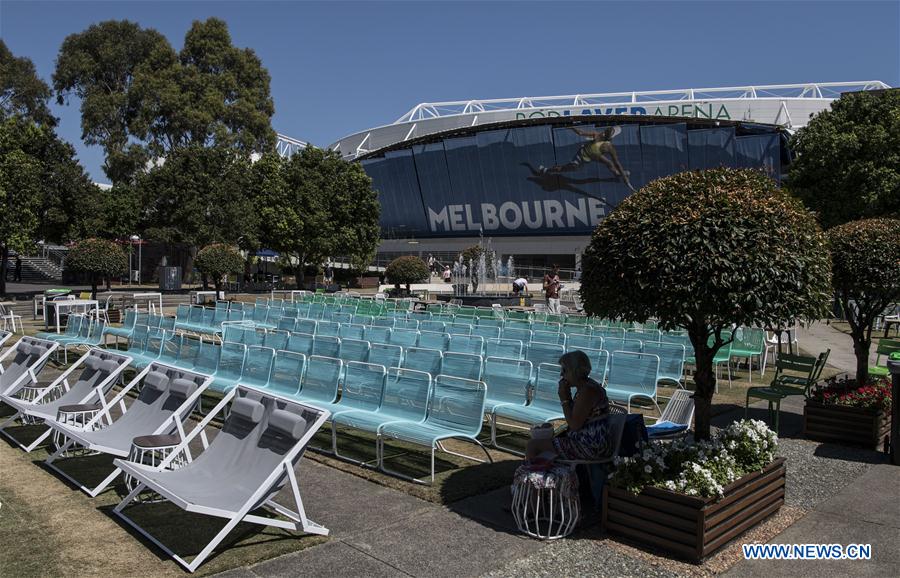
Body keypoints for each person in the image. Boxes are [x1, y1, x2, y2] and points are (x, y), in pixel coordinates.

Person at [525, 351, 612, 462]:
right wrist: (567, 396)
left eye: (564, 370)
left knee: (532, 446)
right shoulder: (586, 386)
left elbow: (574, 425)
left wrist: (564, 398)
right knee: (544, 434)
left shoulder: (588, 391)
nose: (561, 374)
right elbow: (575, 417)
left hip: (590, 446)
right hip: (587, 439)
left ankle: (532, 472)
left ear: (575, 371)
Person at [540, 126, 636, 192]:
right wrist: (625, 178)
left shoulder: (601, 139)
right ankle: (547, 170)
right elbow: (617, 163)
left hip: (593, 155)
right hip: (581, 157)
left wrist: (571, 127)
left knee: (609, 163)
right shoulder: (606, 144)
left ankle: (617, 174)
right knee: (567, 169)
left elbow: (580, 132)